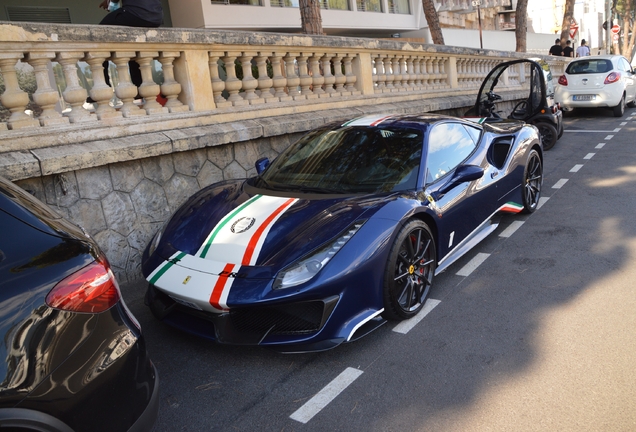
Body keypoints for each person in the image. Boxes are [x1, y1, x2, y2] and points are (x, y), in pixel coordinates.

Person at [98, 0, 163, 94]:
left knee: (100, 32)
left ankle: (102, 87)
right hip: (156, 16)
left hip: (136, 13)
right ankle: (139, 85)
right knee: (134, 44)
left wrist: (110, 2)